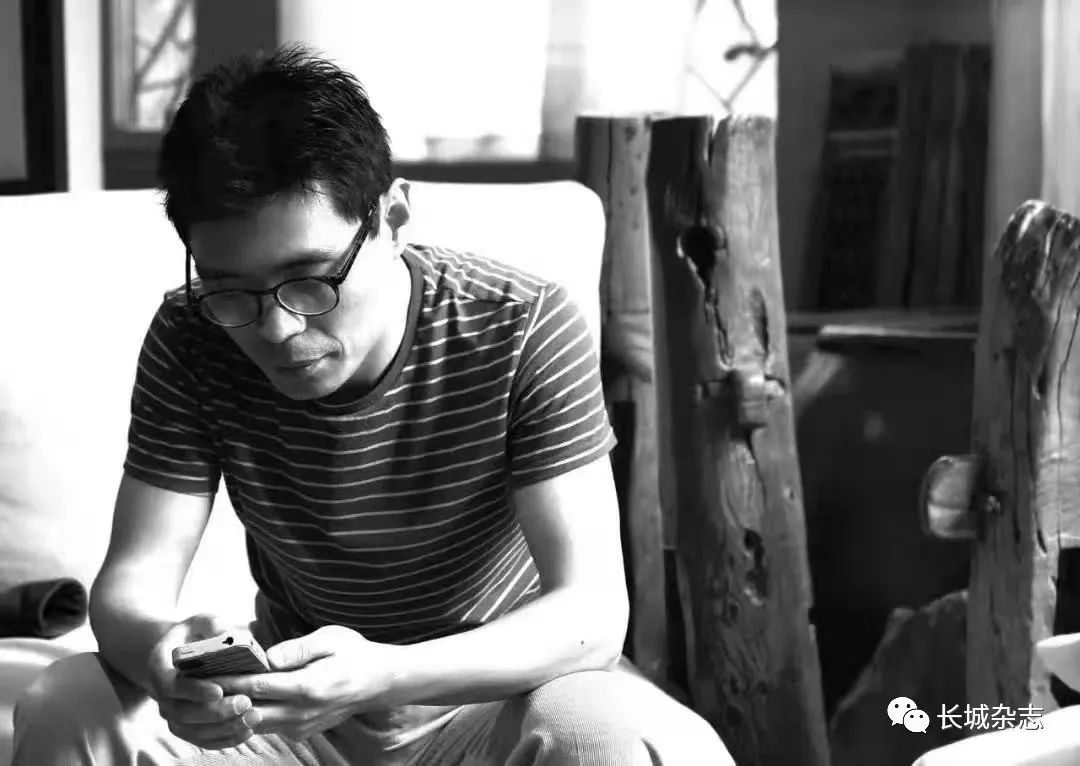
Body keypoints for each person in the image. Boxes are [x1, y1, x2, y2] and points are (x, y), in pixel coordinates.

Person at [11, 44, 732, 765]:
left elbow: (592, 614)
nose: (277, 328)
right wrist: (161, 658)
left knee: (615, 738)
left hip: (491, 705)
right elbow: (132, 583)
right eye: (230, 290)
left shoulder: (522, 326)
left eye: (310, 278)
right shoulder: (193, 334)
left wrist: (385, 674)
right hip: (286, 718)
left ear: (393, 216)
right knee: (68, 703)